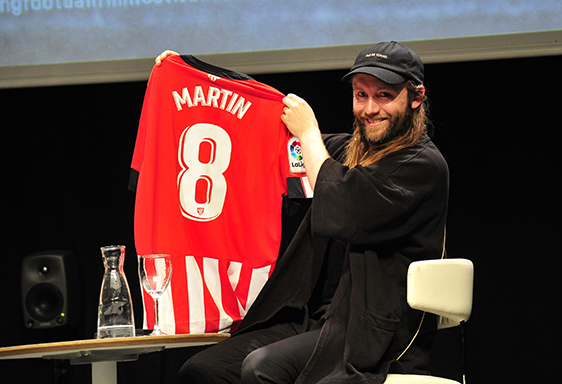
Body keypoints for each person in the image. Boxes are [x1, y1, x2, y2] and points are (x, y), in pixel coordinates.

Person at [158, 41, 449, 384]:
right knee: (203, 371)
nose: (370, 109)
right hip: (314, 318)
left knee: (263, 368)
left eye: (384, 95)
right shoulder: (347, 151)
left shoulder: (423, 165)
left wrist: (309, 133)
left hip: (371, 331)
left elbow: (345, 207)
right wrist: (191, 74)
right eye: (360, 95)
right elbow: (258, 132)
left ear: (415, 98)